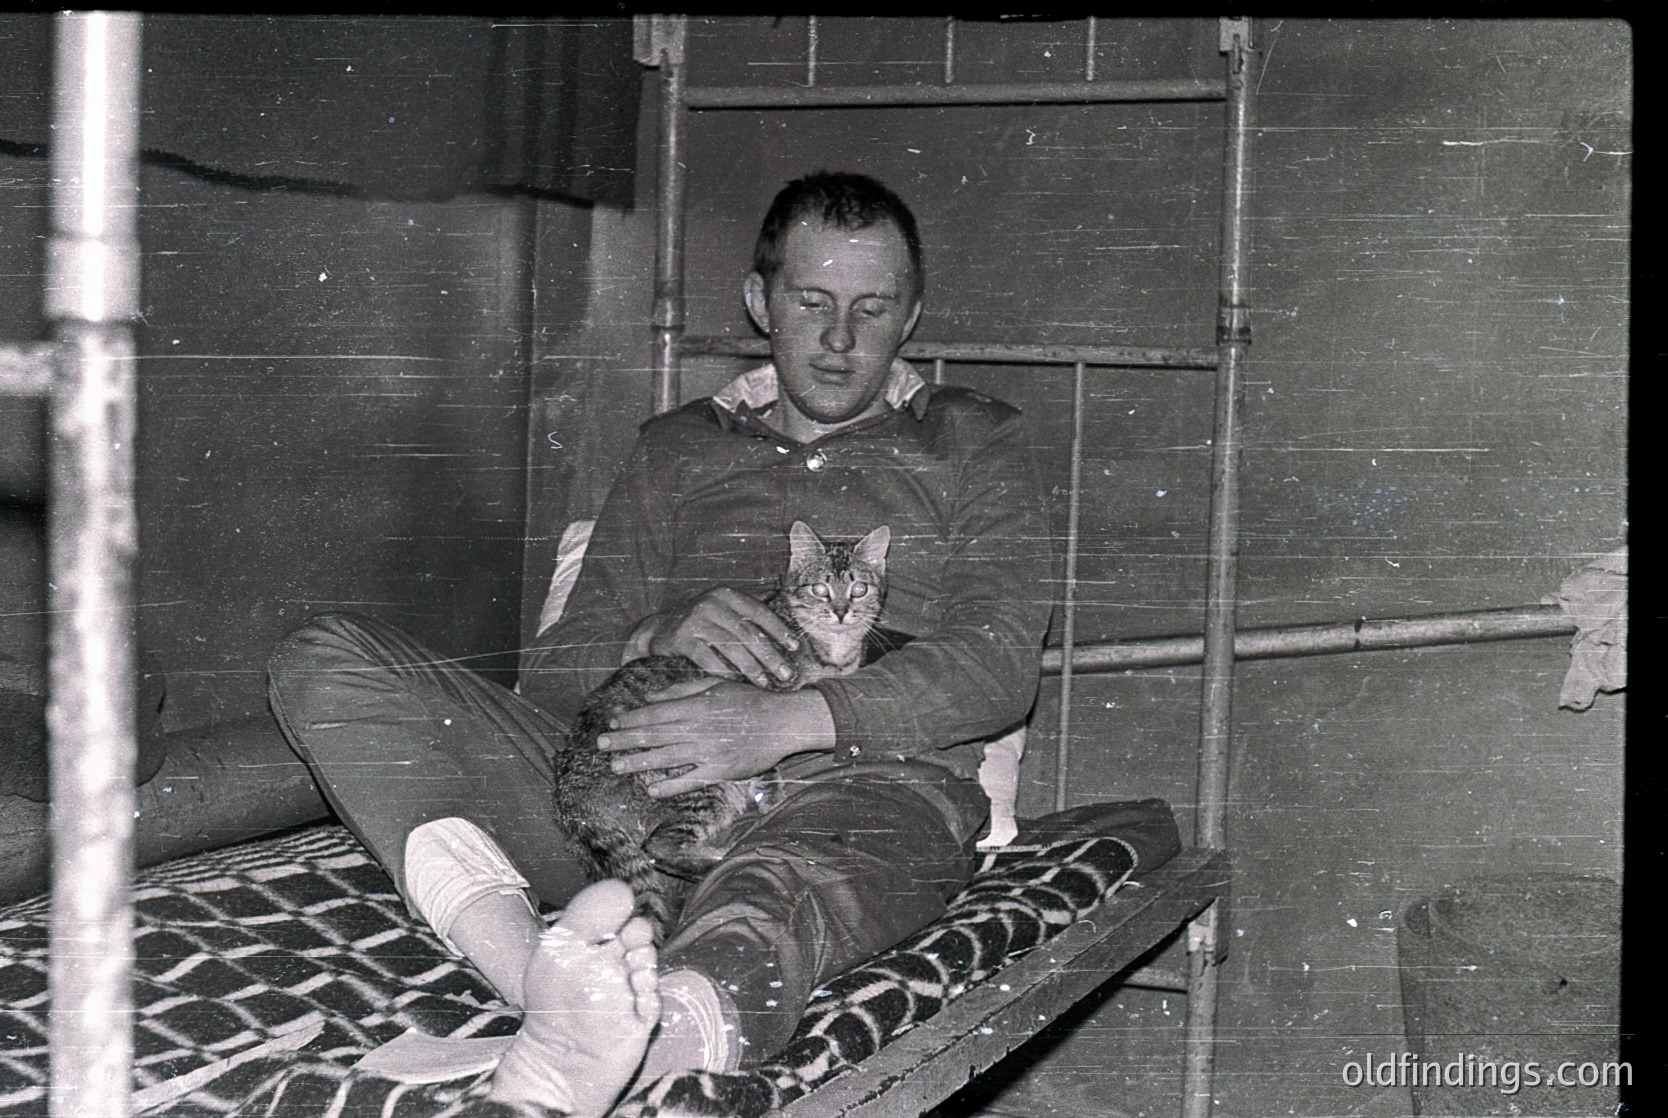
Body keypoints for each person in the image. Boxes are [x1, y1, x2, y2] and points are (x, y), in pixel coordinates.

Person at [267, 170, 1053, 1116]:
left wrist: (780, 725)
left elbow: (999, 662)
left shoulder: (972, 442)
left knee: (788, 877)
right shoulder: (677, 448)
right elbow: (554, 678)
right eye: (812, 302)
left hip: (861, 783)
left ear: (911, 316)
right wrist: (653, 630)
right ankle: (545, 992)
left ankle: (651, 1043)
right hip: (619, 786)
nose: (841, 340)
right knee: (326, 658)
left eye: (872, 308)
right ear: (761, 301)